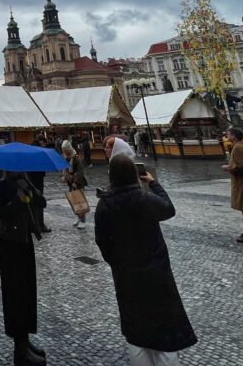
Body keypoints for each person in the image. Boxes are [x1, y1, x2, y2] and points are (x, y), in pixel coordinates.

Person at [95, 156, 197, 366]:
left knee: (136, 332)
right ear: (134, 174)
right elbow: (168, 209)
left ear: (111, 176)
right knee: (165, 329)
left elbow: (102, 241)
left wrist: (116, 262)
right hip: (156, 272)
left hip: (127, 275)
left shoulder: (104, 205)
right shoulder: (145, 199)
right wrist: (153, 183)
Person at [0, 171, 47, 366]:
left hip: (24, 241)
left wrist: (30, 189)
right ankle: (20, 349)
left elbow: (42, 202)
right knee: (15, 294)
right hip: (10, 244)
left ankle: (25, 341)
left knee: (26, 290)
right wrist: (16, 199)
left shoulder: (25, 181)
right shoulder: (3, 185)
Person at [61, 141, 88, 229]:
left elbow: (80, 171)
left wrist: (76, 181)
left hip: (78, 183)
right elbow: (65, 169)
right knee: (74, 201)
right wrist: (64, 176)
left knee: (80, 201)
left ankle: (83, 220)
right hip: (70, 182)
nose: (65, 152)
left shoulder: (76, 158)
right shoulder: (66, 158)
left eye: (65, 150)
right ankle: (78, 217)